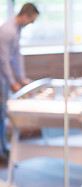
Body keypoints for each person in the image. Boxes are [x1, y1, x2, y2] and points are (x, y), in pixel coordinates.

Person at [0, 3, 39, 161]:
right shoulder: (7, 31)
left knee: (2, 114)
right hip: (1, 78)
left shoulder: (17, 30)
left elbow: (16, 54)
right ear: (25, 15)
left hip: (3, 78)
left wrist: (21, 77)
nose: (31, 24)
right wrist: (12, 82)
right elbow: (3, 60)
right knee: (0, 115)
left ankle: (3, 147)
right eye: (31, 20)